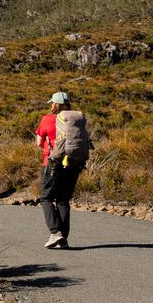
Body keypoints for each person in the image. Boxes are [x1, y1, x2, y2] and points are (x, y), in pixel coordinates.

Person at [43, 92, 92, 249]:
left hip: (55, 162)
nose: (51, 105)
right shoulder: (76, 119)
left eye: (52, 103)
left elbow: (39, 141)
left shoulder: (49, 119)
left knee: (46, 197)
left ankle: (55, 232)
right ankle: (63, 239)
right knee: (63, 199)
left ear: (57, 105)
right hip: (75, 162)